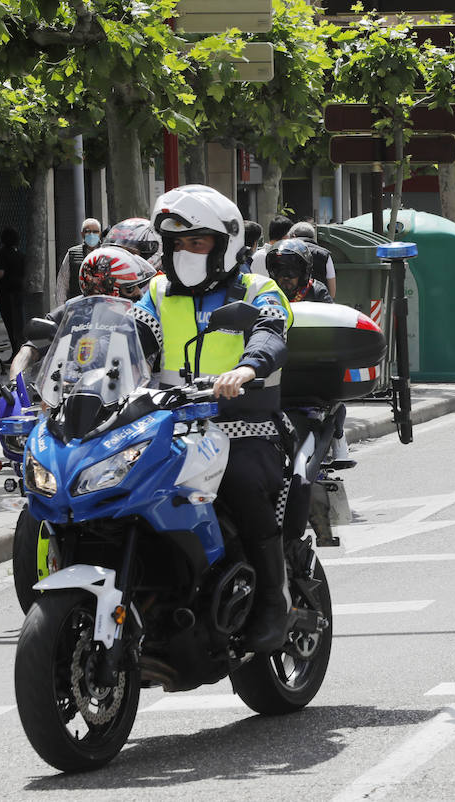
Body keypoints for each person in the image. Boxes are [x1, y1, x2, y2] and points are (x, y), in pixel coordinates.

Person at [136, 184, 294, 654]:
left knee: (241, 483)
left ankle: (273, 598)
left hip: (243, 425)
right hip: (170, 426)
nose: (185, 252)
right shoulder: (158, 292)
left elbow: (271, 332)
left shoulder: (257, 289)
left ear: (225, 245)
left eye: (197, 242)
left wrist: (246, 368)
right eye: (177, 243)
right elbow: (133, 336)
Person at [8, 245, 157, 380]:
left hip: (114, 400)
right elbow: (29, 350)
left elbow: (143, 366)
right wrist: (15, 383)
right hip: (63, 397)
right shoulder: (70, 312)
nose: (140, 295)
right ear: (105, 288)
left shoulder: (137, 321)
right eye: (130, 289)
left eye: (138, 287)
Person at [0, 228, 25, 353]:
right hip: (19, 294)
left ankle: (16, 351)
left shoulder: (1, 254)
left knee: (11, 325)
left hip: (6, 295)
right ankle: (20, 350)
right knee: (18, 324)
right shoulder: (20, 254)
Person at [267, 238, 334, 303]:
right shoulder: (268, 294)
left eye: (292, 270)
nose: (286, 277)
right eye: (279, 270)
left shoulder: (317, 292)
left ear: (303, 272)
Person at [53, 218, 101, 307]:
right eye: (88, 231)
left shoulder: (107, 253)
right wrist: (61, 310)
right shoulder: (72, 254)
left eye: (95, 232)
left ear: (100, 234)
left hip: (101, 307)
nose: (91, 234)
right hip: (77, 307)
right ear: (82, 234)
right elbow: (62, 284)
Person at [286, 222, 337, 299]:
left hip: (292, 304)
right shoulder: (324, 254)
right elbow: (332, 292)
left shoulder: (286, 251)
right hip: (318, 303)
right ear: (313, 237)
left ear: (293, 236)